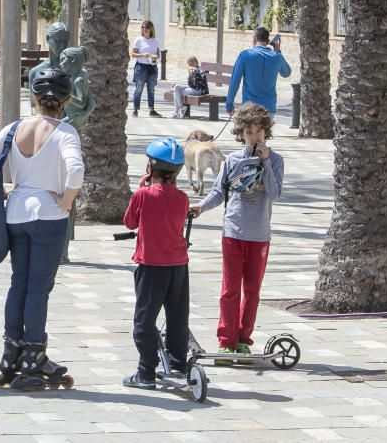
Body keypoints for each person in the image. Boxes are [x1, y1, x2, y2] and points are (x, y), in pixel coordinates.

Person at [0, 69, 83, 390]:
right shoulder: (65, 132)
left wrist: (7, 189)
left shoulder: (15, 128)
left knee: (18, 283)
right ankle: (34, 353)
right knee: (39, 288)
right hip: (49, 216)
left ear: (35, 98)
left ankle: (12, 352)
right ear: (64, 102)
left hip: (16, 213)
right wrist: (66, 200)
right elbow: (75, 170)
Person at [189, 103, 284, 364]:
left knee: (252, 291)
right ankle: (226, 342)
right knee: (230, 289)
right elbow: (219, 192)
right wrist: (200, 207)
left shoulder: (275, 160)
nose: (255, 137)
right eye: (249, 132)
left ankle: (243, 340)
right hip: (233, 232)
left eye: (259, 131)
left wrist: (264, 163)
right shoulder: (231, 160)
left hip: (259, 236)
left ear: (267, 132)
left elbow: (275, 193)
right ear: (241, 133)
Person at [122, 137, 190, 389]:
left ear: (150, 167)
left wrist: (141, 188)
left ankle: (146, 372)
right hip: (179, 266)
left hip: (151, 266)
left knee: (144, 320)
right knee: (177, 318)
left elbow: (130, 222)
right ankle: (178, 366)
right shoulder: (182, 198)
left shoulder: (143, 195)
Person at [226, 27, 292, 116]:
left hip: (248, 108)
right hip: (268, 109)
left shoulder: (245, 55)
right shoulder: (277, 57)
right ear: (268, 41)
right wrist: (278, 51)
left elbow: (235, 82)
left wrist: (229, 104)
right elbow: (286, 73)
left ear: (254, 39)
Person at [131, 20, 161, 117]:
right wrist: (143, 55)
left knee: (151, 89)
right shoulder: (139, 40)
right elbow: (133, 54)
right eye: (143, 27)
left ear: (151, 29)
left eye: (147, 27)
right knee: (139, 88)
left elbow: (158, 55)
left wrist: (154, 56)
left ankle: (151, 110)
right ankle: (135, 109)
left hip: (152, 67)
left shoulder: (155, 41)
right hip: (141, 67)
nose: (145, 29)